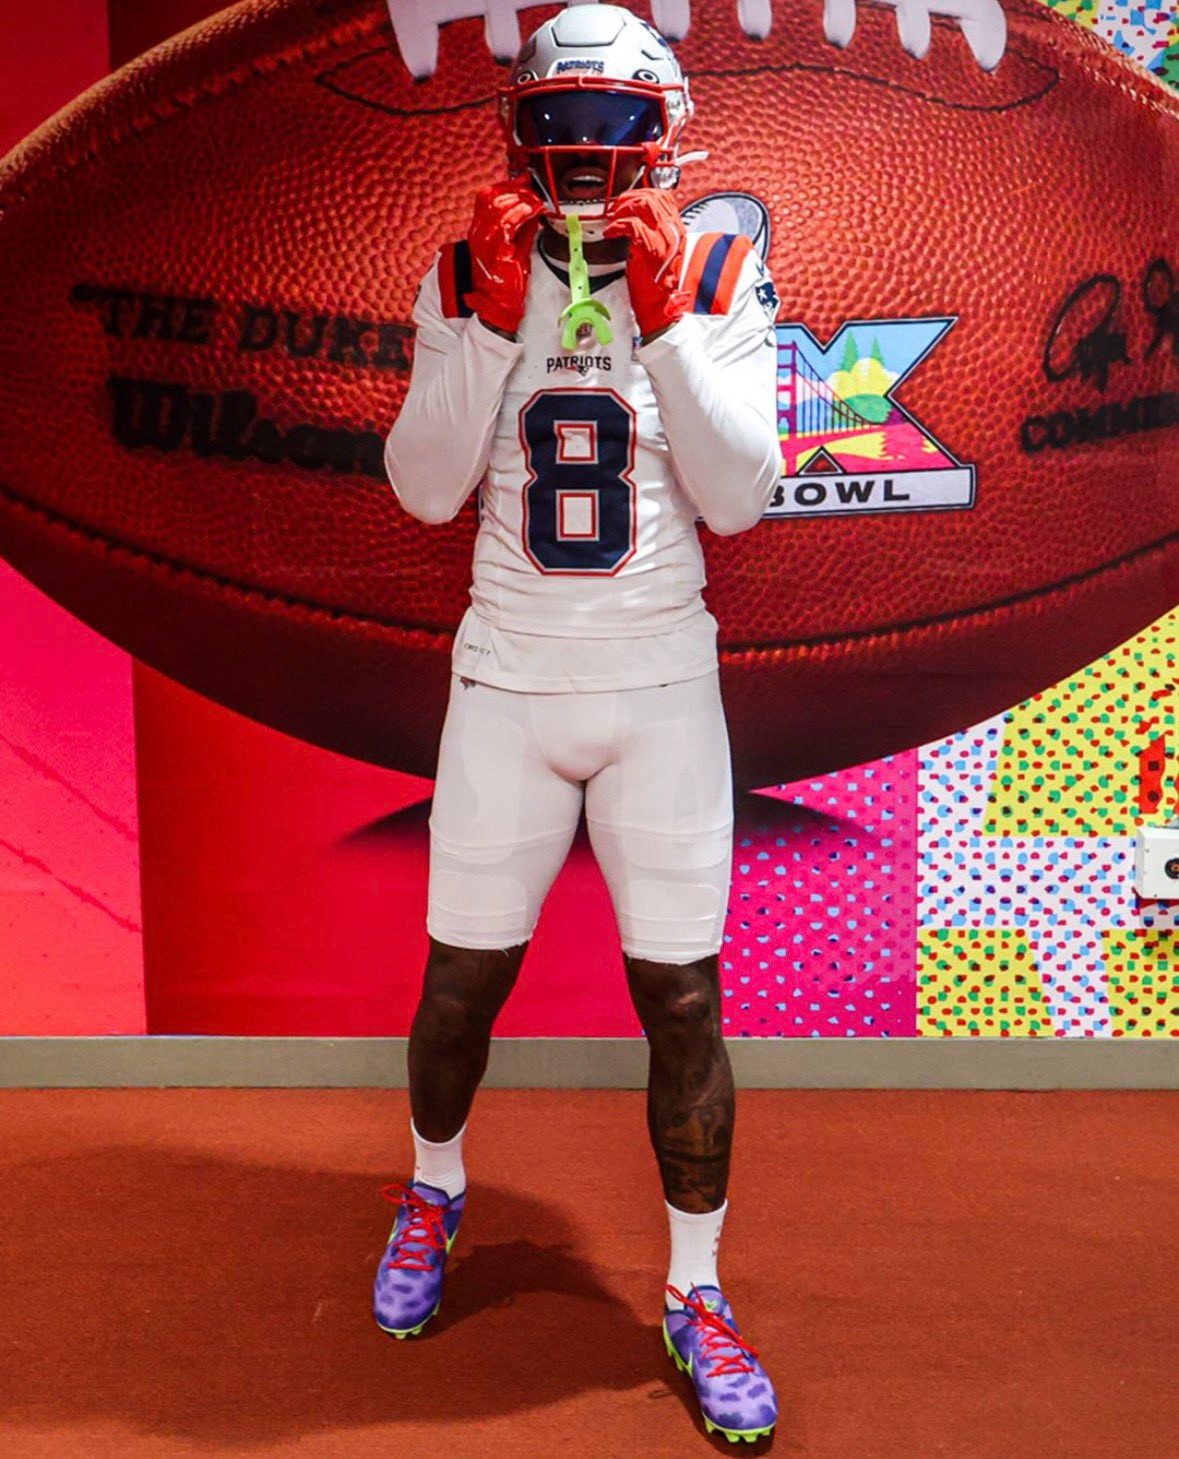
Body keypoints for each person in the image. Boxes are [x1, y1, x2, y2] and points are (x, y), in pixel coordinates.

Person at [377, 4, 781, 1443]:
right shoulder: (462, 268)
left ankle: (694, 1287)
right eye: (565, 125)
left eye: (618, 127)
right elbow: (426, 487)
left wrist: (667, 332)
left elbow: (739, 496)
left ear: (666, 135)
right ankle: (434, 1188)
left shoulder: (721, 268)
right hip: (508, 685)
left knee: (684, 1002)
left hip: (660, 688)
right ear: (520, 135)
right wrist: (490, 330)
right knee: (459, 986)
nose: (592, 157)